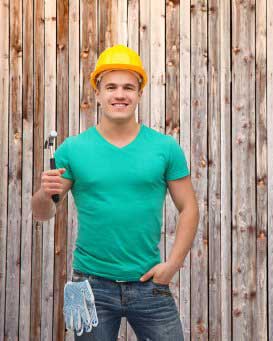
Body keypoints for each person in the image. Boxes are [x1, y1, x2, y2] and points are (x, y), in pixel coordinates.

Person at [31, 45, 199, 340]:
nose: (119, 94)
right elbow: (44, 213)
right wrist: (45, 193)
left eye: (128, 87)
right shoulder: (73, 149)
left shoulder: (165, 148)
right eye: (111, 87)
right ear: (97, 93)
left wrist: (172, 265)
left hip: (150, 285)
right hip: (91, 286)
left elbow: (189, 208)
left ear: (139, 93)